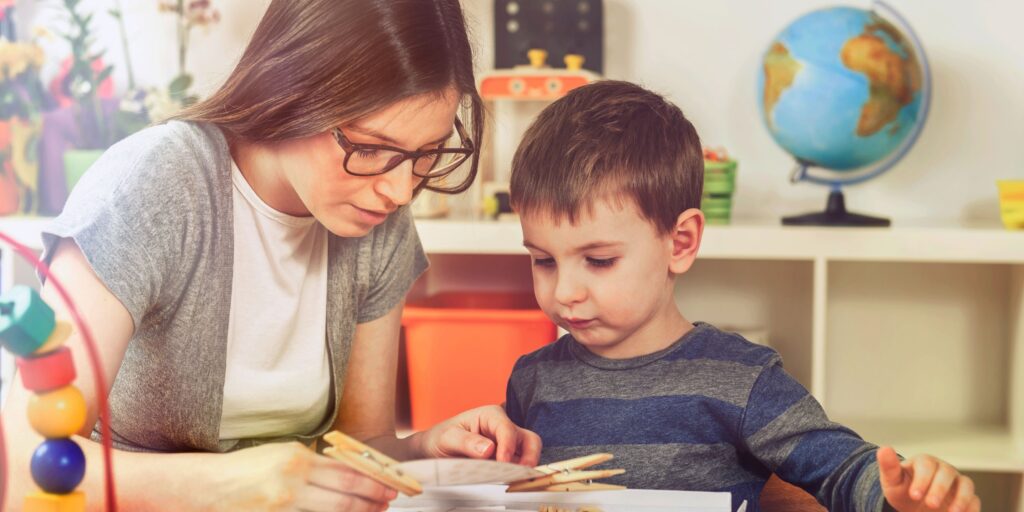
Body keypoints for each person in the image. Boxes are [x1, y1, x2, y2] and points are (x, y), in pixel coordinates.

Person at [2, 1, 540, 510]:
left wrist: (421, 450)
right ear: (293, 89)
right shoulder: (151, 187)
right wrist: (224, 486)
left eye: (425, 155)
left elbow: (356, 448)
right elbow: (24, 467)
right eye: (371, 149)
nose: (400, 191)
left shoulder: (378, 220)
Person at [503, 80, 980, 512]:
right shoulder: (532, 380)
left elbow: (841, 467)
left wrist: (903, 496)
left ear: (681, 242)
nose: (564, 292)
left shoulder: (741, 380)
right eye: (543, 260)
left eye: (600, 260)